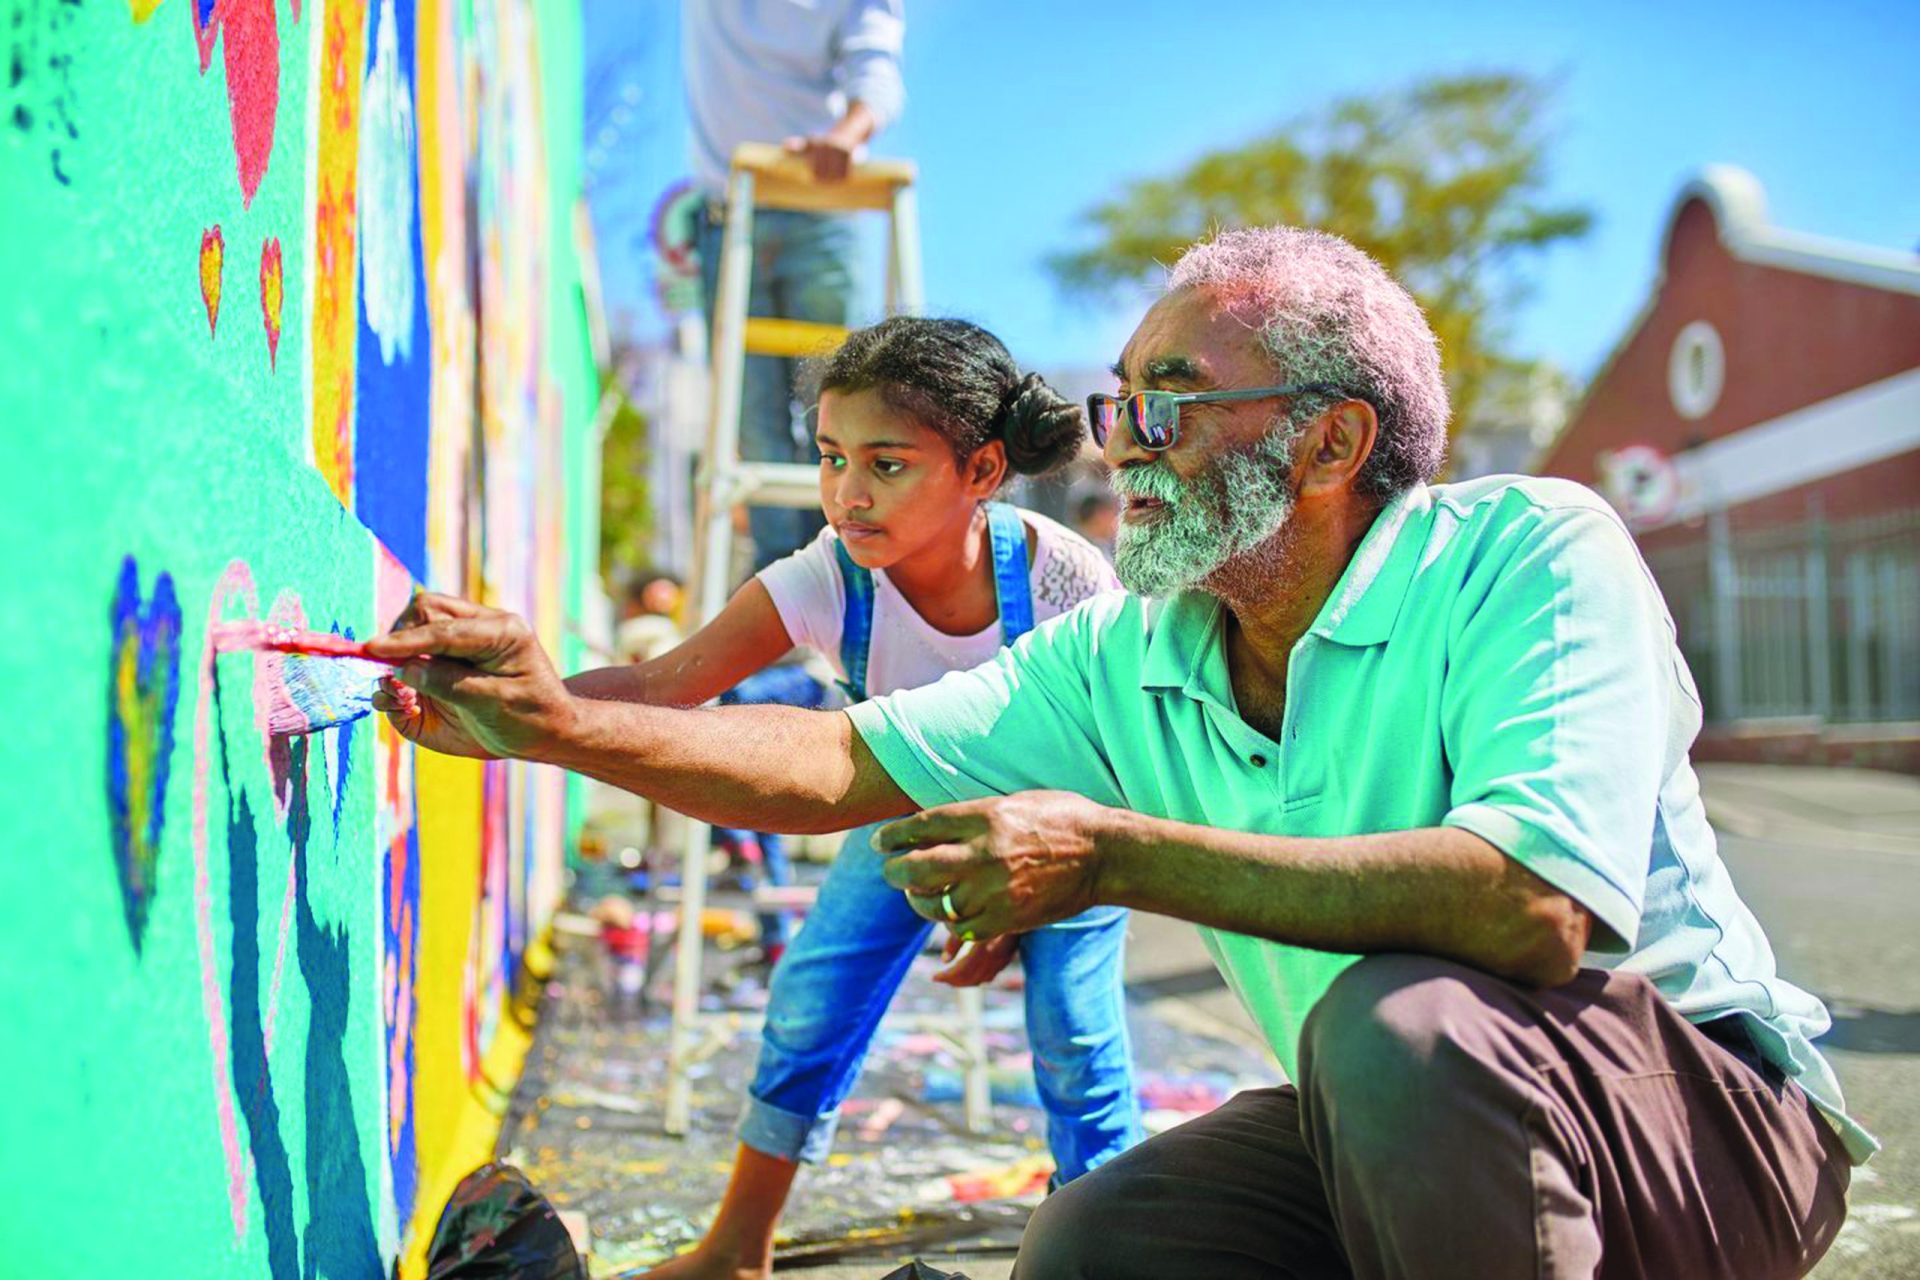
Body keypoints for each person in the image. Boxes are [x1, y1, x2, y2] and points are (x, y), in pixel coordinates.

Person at [368, 226, 1871, 1279]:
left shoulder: (1528, 551)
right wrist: (558, 728)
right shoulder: (1131, 651)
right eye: (1116, 405)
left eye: (1168, 407)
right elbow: (840, 765)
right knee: (1101, 1241)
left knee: (1395, 1028)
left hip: (1708, 1129)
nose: (1122, 446)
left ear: (1333, 446)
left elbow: (1529, 906)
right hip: (1405, 1125)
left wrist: (1107, 854)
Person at [560, 316, 1139, 1278]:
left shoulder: (1062, 575)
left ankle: (1107, 1256)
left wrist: (1008, 904)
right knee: (810, 998)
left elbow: (1115, 752)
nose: (847, 495)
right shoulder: (831, 575)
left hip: (1072, 824)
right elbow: (667, 687)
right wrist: (532, 704)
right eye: (831, 459)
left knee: (1076, 1040)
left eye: (887, 464)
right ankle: (738, 1247)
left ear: (982, 470)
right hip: (906, 809)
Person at [685, 0, 905, 570]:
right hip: (730, 212)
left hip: (820, 211)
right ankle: (781, 581)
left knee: (837, 408)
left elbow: (876, 70)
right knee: (751, 420)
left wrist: (846, 135)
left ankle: (838, 567)